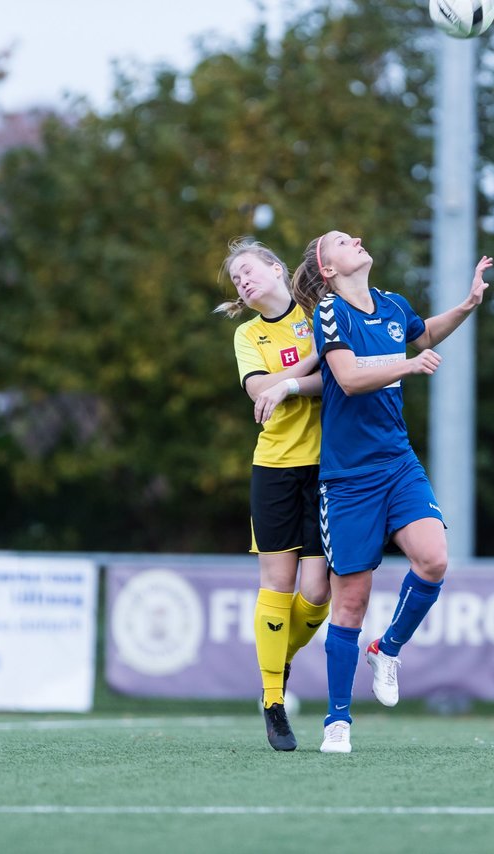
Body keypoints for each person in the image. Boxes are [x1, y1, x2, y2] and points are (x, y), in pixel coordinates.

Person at [290, 229, 491, 754]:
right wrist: (408, 365)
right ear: (328, 269)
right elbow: (350, 378)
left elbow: (423, 337)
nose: (354, 237)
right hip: (348, 479)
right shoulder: (330, 312)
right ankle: (337, 721)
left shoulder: (394, 304)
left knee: (434, 559)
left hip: (398, 463)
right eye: (340, 240)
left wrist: (468, 305)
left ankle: (389, 648)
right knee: (350, 602)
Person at [217, 238, 332, 752]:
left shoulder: (318, 311)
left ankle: (277, 655)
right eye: (236, 278)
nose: (242, 281)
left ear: (277, 269)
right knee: (277, 586)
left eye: (248, 270)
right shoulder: (247, 334)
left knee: (317, 595)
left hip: (329, 469)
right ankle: (272, 702)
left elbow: (338, 381)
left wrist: (291, 382)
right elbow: (259, 390)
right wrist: (306, 363)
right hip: (276, 468)